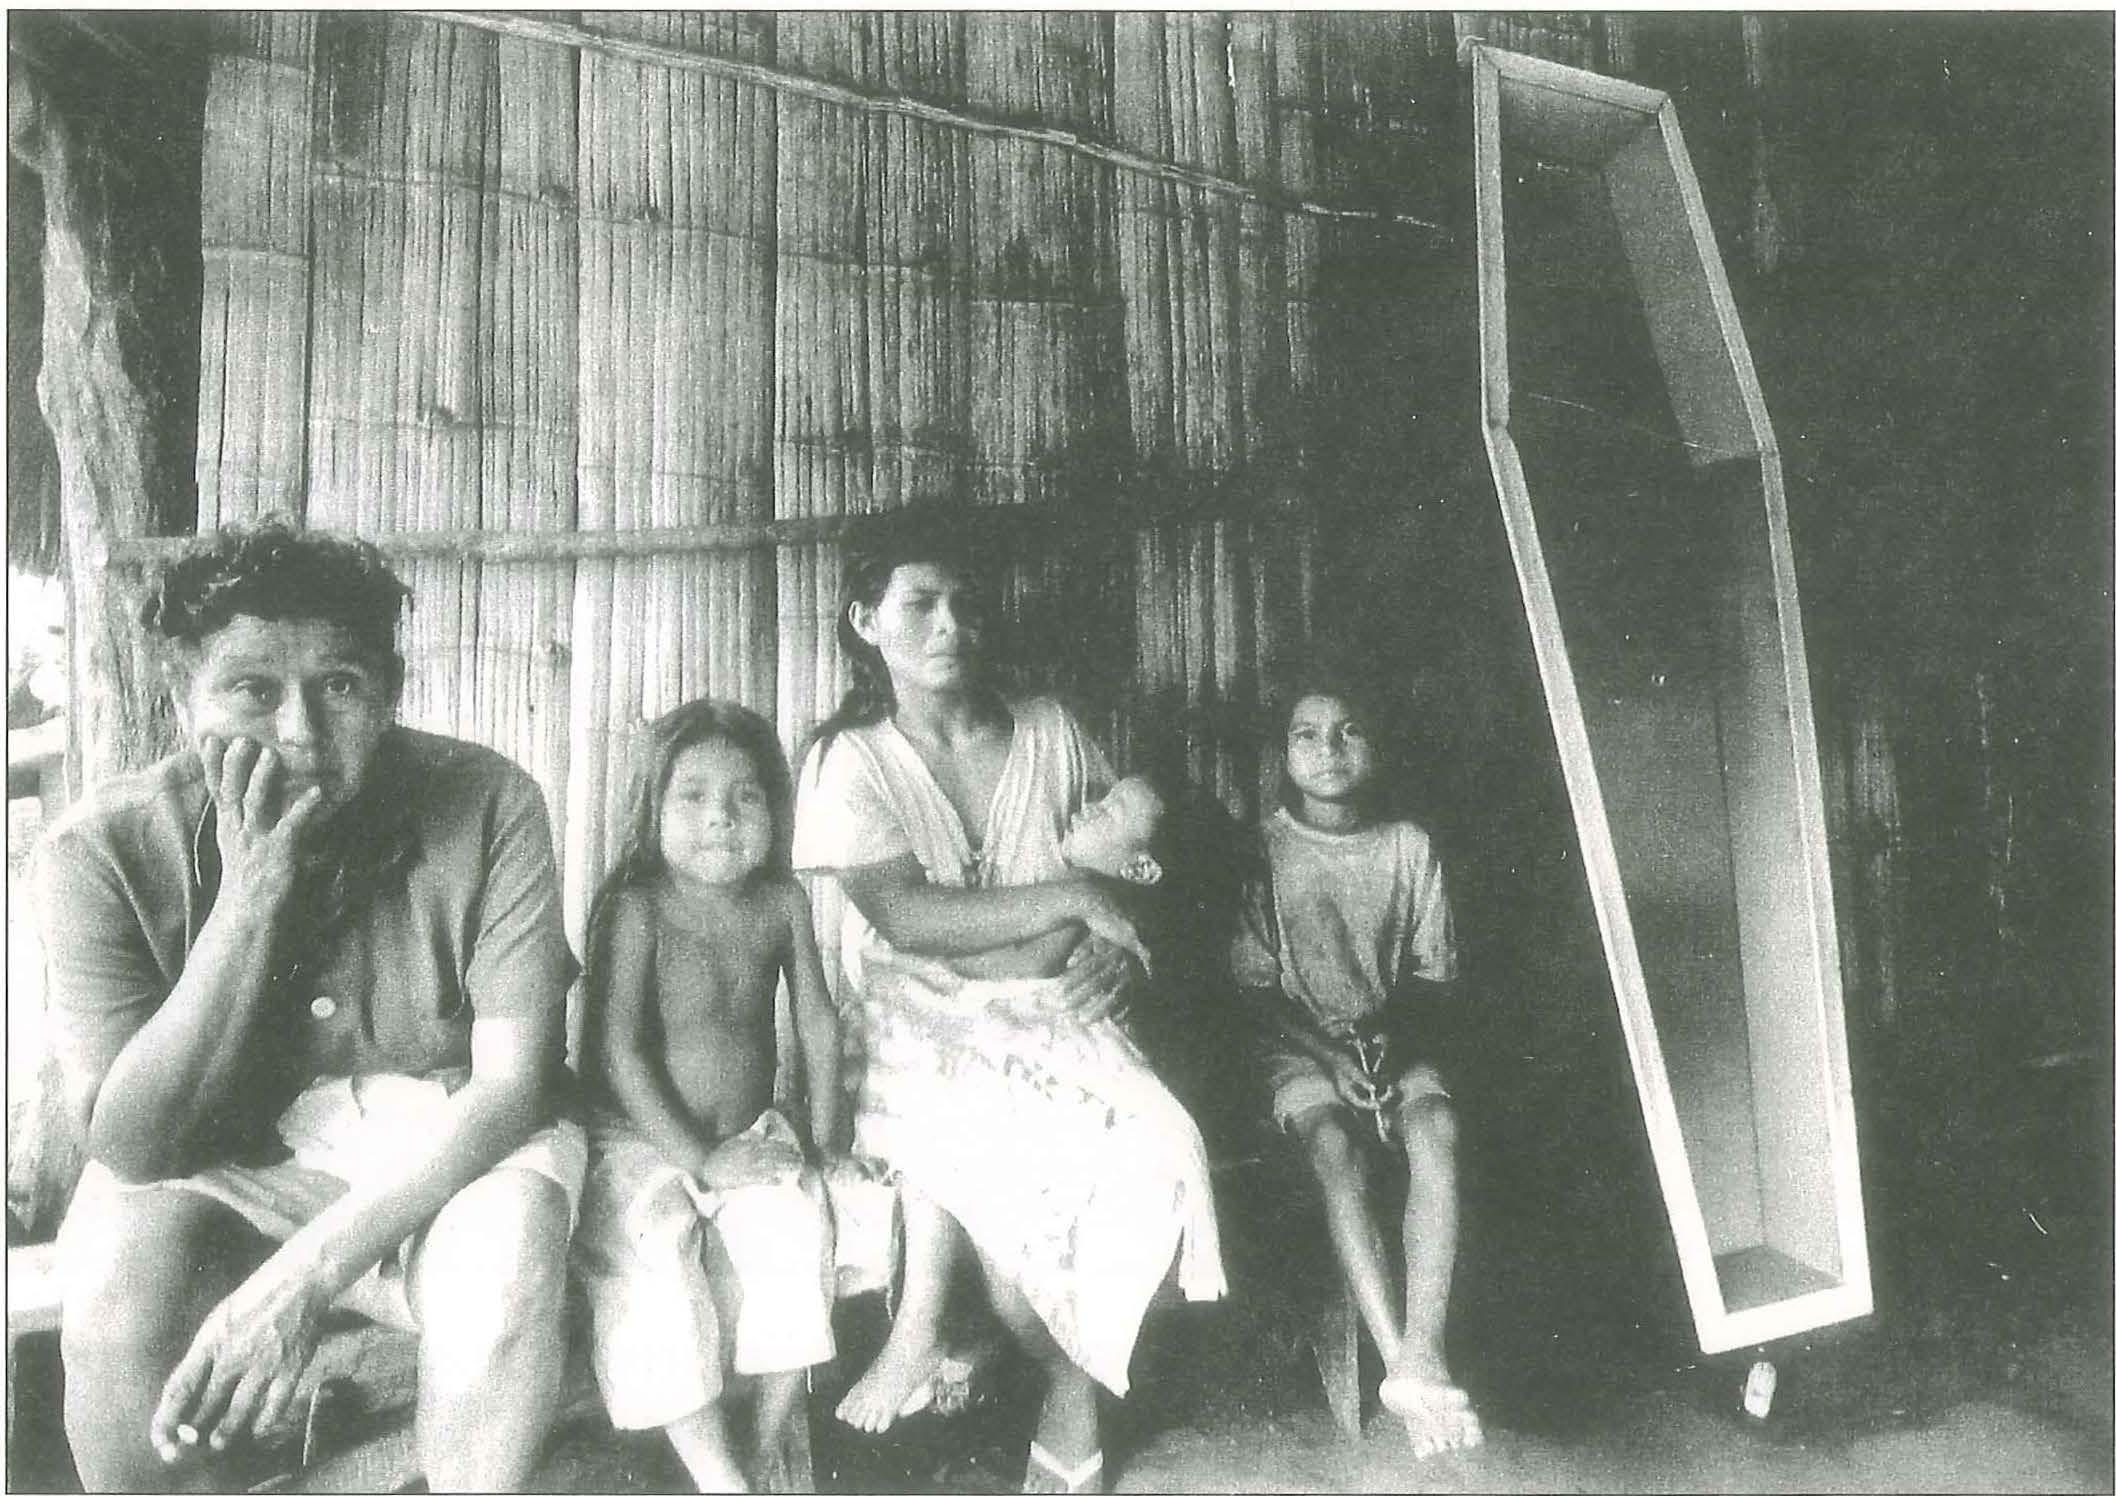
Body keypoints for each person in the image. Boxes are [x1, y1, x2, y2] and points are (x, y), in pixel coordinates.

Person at [35, 521, 583, 1491]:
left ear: (390, 694)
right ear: (183, 700)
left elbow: (510, 1089)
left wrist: (302, 1280)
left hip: (447, 1134)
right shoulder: (97, 851)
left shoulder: (490, 800)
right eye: (253, 689)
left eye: (339, 686)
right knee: (115, 1299)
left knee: (503, 1275)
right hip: (223, 1152)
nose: (299, 731)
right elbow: (129, 1145)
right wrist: (250, 896)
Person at [793, 527, 1224, 1495]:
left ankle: (1050, 1373)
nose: (950, 624)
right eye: (920, 603)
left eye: (966, 602)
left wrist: (1122, 946)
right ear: (866, 621)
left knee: (1163, 1147)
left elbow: (1131, 862)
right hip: (922, 1017)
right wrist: (1069, 901)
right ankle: (1057, 1381)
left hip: (1058, 1008)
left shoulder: (1051, 730)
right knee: (1001, 1231)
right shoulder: (846, 760)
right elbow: (906, 916)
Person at [571, 699, 861, 1492]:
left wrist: (826, 1144)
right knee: (651, 1261)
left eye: (746, 796)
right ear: (651, 809)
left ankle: (764, 1445)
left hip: (750, 1133)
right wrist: (699, 1160)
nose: (721, 818)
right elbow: (619, 1052)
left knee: (799, 1236)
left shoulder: (782, 902)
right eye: (692, 795)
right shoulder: (638, 909)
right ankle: (717, 1474)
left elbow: (818, 1022)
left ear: (775, 809)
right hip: (641, 1136)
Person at [1229, 672, 1484, 1457]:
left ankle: (1421, 1354)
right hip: (1299, 1047)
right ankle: (1394, 1353)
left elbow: (1435, 977)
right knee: (1336, 1148)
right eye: (1307, 734)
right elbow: (1252, 993)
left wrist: (1387, 1048)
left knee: (1436, 1128)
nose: (1329, 750)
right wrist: (1331, 1057)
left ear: (1377, 744)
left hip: (1392, 1041)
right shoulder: (1263, 848)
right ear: (1283, 752)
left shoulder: (1409, 845)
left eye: (1349, 730)